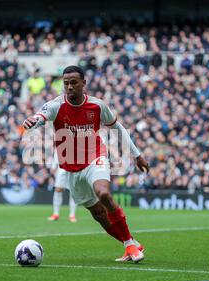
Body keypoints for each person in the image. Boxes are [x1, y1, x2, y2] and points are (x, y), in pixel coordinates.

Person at [23, 66, 149, 263]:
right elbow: (41, 116)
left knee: (104, 193)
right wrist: (34, 121)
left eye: (73, 82)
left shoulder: (97, 106)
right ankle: (130, 243)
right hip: (71, 169)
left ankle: (130, 246)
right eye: (66, 83)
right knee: (98, 214)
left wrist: (137, 155)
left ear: (83, 83)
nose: (69, 86)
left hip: (95, 157)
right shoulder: (56, 105)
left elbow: (118, 128)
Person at [48, 154, 78, 222]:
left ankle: (72, 215)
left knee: (73, 191)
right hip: (62, 168)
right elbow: (57, 152)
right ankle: (56, 214)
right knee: (58, 189)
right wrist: (53, 166)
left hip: (74, 168)